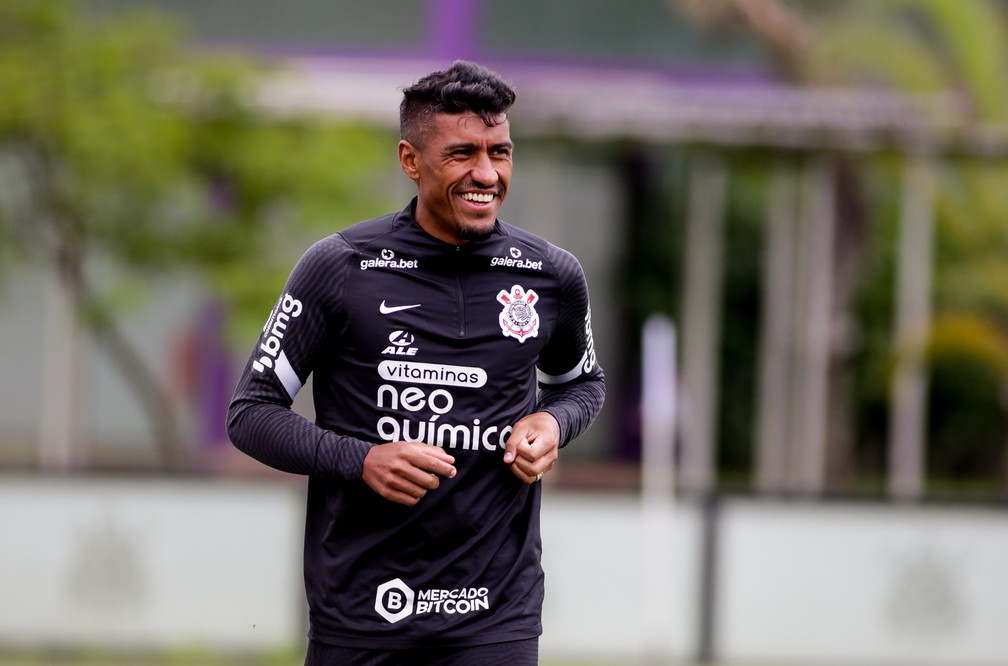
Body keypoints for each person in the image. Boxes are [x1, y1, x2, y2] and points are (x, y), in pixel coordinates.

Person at [227, 60, 605, 666]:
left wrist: (553, 423)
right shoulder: (339, 268)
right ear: (411, 160)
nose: (487, 174)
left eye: (500, 153)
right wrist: (363, 459)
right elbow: (250, 413)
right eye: (462, 154)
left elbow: (582, 383)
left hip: (495, 616)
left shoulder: (552, 277)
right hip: (362, 613)